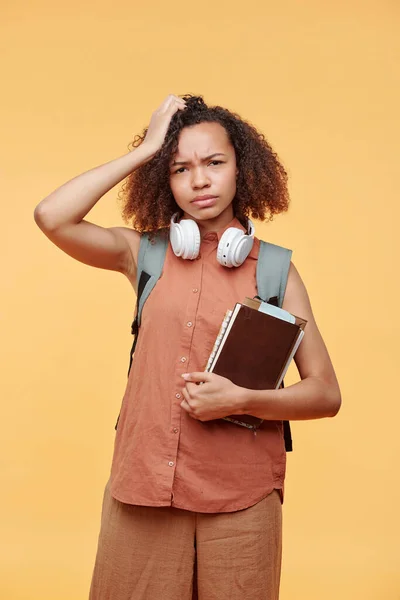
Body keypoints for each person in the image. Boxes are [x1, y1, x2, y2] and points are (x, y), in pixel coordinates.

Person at [33, 93, 342, 600]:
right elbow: (52, 217)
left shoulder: (275, 271)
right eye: (179, 168)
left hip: (242, 501)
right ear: (165, 179)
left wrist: (240, 399)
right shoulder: (144, 255)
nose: (199, 180)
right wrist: (145, 150)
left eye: (215, 163)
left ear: (242, 169)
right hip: (142, 490)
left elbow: (325, 394)